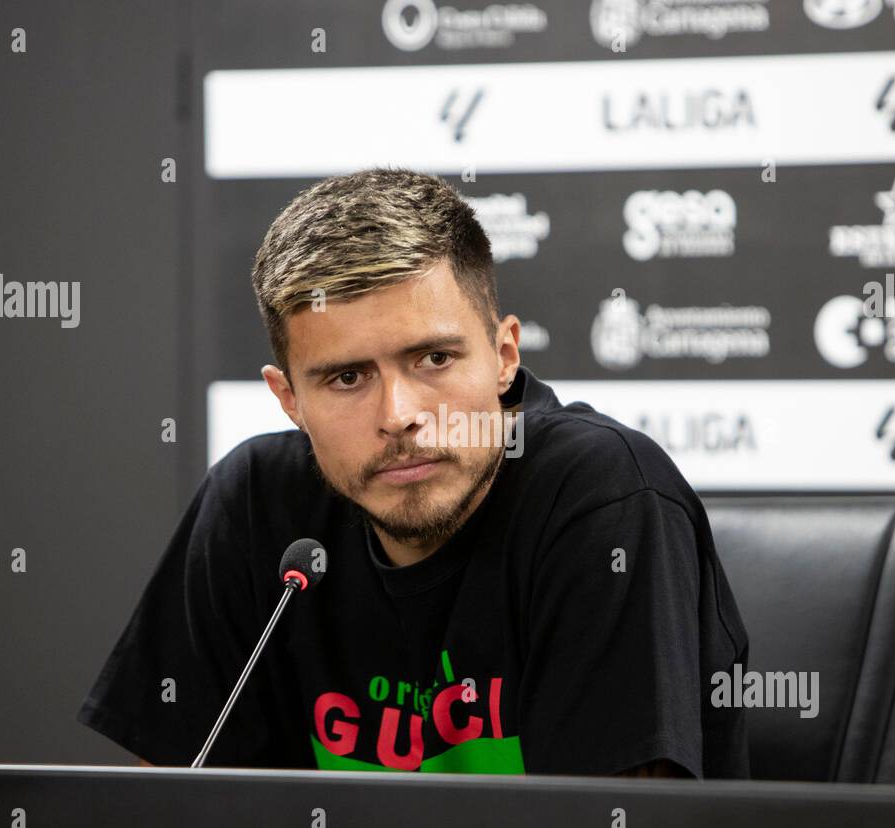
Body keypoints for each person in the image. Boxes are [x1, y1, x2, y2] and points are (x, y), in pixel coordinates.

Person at [76, 166, 751, 779]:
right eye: (346, 377)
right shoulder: (253, 506)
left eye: (432, 359)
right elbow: (168, 823)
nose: (399, 415)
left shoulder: (601, 496)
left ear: (504, 354)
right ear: (290, 401)